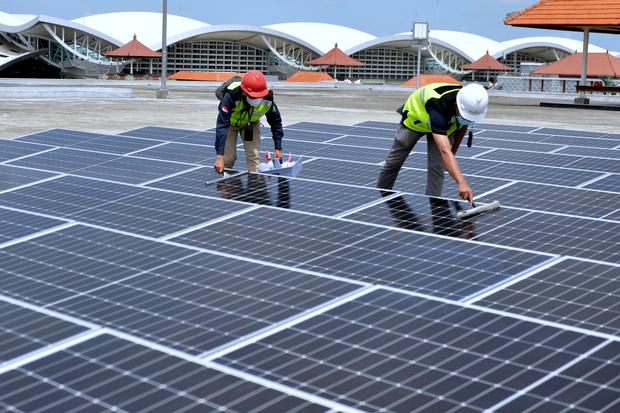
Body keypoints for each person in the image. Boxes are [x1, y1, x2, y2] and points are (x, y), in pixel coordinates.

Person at [377, 83, 489, 204]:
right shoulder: (438, 104)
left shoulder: (469, 103)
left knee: (437, 166)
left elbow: (463, 126)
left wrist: (453, 152)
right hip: (416, 120)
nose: (466, 117)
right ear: (457, 105)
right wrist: (462, 183)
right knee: (393, 162)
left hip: (445, 126)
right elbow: (444, 150)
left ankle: (434, 206)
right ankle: (380, 196)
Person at [214, 70, 284, 173]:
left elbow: (276, 121)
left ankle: (254, 183)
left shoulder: (267, 99)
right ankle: (225, 183)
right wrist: (220, 157)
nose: (256, 99)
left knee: (253, 156)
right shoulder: (231, 96)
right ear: (243, 91)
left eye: (259, 96)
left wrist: (278, 148)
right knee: (228, 159)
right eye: (253, 96)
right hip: (231, 126)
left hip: (249, 126)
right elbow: (222, 125)